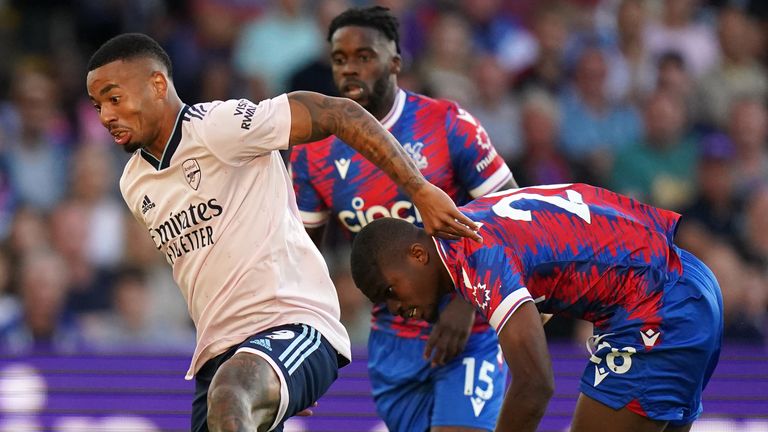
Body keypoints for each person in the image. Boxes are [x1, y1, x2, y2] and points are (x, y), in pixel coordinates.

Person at [85, 33, 481, 432]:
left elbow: (337, 112)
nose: (105, 115)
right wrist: (272, 384)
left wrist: (418, 188)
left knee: (231, 394)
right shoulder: (133, 183)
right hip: (222, 356)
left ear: (157, 84)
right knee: (231, 396)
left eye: (114, 98)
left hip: (291, 323)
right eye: (98, 105)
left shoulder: (218, 126)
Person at [290, 6, 517, 432]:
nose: (351, 69)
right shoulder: (313, 153)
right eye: (340, 60)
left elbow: (512, 216)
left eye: (364, 56)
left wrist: (468, 306)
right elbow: (301, 261)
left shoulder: (448, 125)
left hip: (470, 328)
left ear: (395, 62)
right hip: (392, 340)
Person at [350, 183, 724, 432]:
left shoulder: (476, 258)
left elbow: (534, 385)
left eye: (390, 291)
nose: (396, 308)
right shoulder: (472, 219)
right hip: (685, 280)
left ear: (417, 254)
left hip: (657, 305)